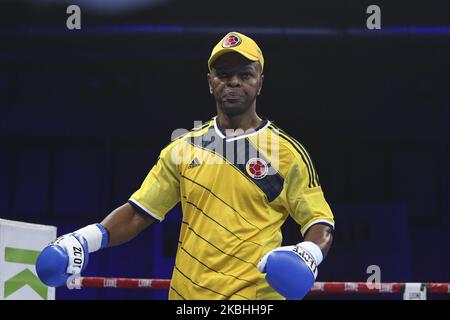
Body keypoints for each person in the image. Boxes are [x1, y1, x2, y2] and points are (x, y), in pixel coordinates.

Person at [36, 32, 335, 300]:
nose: (233, 81)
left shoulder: (287, 153)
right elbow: (139, 213)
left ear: (260, 83)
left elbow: (320, 223)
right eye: (223, 73)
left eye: (245, 74)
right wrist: (84, 239)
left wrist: (307, 253)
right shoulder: (183, 148)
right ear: (210, 83)